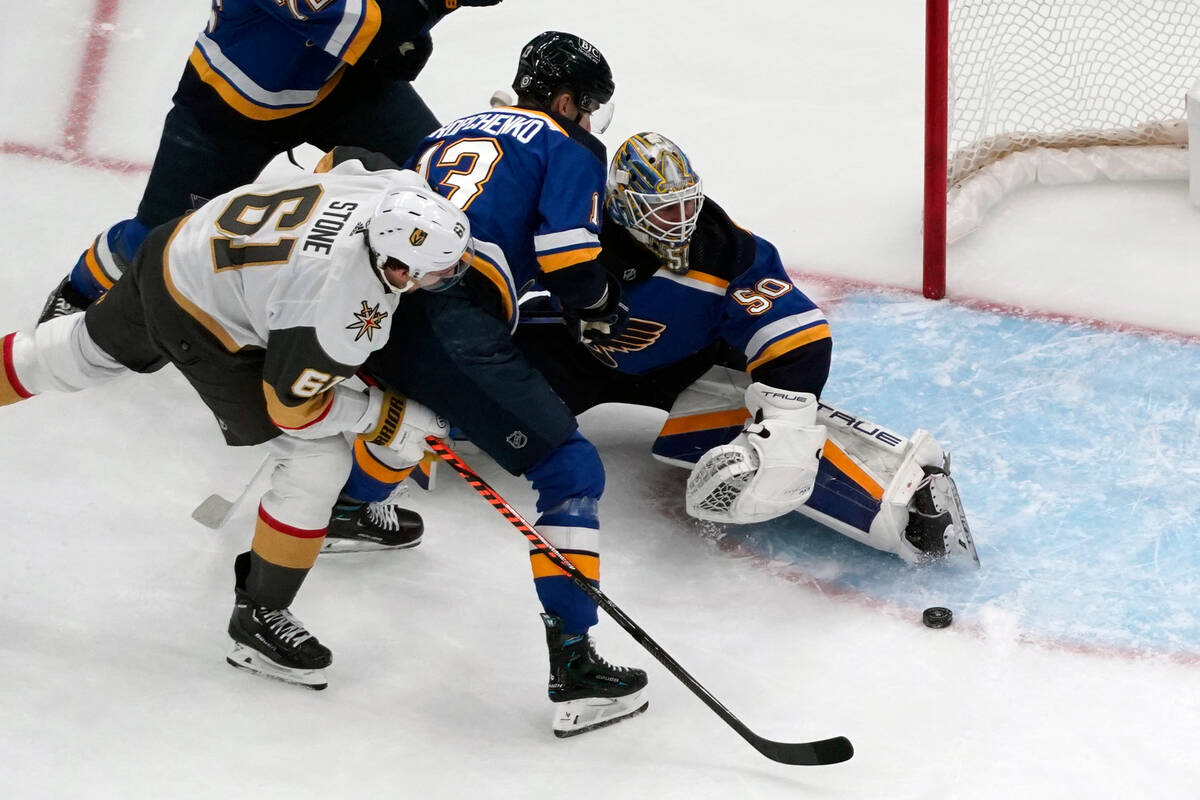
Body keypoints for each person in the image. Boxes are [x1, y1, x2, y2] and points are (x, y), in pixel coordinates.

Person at [0, 161, 471, 689]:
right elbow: (290, 408)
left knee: (80, 350)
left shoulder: (397, 191)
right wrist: (383, 418)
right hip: (201, 315)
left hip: (182, 244)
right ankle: (259, 618)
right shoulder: (338, 305)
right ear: (394, 266)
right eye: (433, 272)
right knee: (316, 458)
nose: (444, 279)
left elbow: (338, 157)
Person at [339, 31, 647, 737]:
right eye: (590, 107)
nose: (592, 121)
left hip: (370, 307)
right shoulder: (567, 145)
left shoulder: (447, 131)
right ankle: (576, 666)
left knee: (420, 408)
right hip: (449, 320)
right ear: (567, 101)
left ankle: (351, 510)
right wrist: (600, 307)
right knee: (571, 467)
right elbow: (568, 262)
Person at [513, 131, 978, 566]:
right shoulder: (571, 222)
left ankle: (903, 507)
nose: (680, 223)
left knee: (772, 441)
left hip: (689, 364)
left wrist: (786, 429)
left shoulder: (724, 251)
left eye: (685, 206)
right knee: (486, 412)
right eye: (662, 211)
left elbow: (801, 336)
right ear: (622, 206)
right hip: (571, 355)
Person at [39, 0, 502, 323]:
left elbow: (391, 25)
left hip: (338, 85)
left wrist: (413, 36)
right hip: (232, 110)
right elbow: (359, 19)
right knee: (155, 241)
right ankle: (79, 291)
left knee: (437, 179)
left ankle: (440, 310)